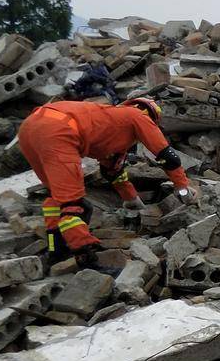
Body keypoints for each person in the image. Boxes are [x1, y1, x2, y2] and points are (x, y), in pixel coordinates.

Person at [16, 98, 194, 267]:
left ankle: (56, 251)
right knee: (74, 204)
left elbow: (112, 171)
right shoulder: (138, 116)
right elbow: (167, 156)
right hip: (59, 131)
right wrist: (182, 186)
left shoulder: (109, 123)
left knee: (57, 197)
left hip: (29, 129)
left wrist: (131, 199)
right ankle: (86, 254)